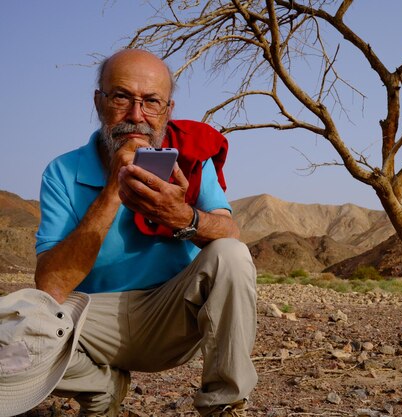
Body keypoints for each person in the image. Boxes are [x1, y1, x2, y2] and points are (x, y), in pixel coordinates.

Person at [23, 49, 257, 416]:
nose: (136, 116)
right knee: (14, 325)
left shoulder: (191, 159)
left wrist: (180, 215)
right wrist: (113, 190)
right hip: (92, 322)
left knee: (231, 254)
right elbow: (51, 288)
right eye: (121, 97)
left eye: (151, 102)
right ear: (98, 102)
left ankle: (225, 406)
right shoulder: (63, 172)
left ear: (167, 109)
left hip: (173, 315)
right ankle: (101, 389)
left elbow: (230, 233)